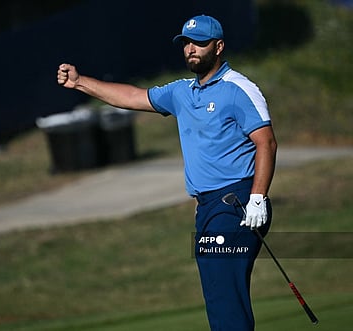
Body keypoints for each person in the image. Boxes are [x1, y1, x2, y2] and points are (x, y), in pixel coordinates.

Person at [57, 14, 277, 331]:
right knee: (219, 292)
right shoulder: (181, 92)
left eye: (199, 43)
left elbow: (266, 144)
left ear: (219, 46)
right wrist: (79, 82)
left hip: (239, 204)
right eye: (186, 43)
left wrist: (258, 198)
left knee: (224, 289)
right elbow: (132, 96)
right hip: (208, 207)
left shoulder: (239, 89)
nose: (191, 49)